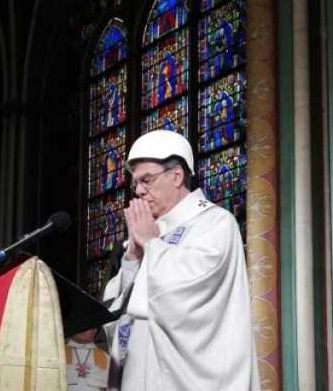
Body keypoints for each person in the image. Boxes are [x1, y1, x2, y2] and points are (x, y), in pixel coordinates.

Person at [103, 130, 260, 390]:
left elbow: (189, 296)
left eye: (147, 180)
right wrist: (132, 256)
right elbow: (116, 314)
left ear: (177, 176)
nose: (139, 191)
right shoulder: (151, 231)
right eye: (135, 184)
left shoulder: (215, 223)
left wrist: (152, 245)